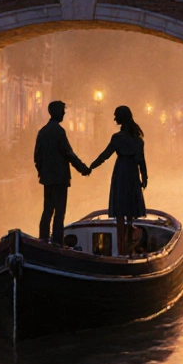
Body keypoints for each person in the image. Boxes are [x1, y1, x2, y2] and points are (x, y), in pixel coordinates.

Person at [88, 105, 148, 255]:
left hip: (121, 172)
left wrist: (91, 167)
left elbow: (105, 155)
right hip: (133, 172)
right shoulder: (138, 140)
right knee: (130, 209)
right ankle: (130, 237)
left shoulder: (117, 139)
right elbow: (141, 161)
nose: (114, 118)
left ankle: (121, 247)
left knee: (120, 210)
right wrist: (144, 177)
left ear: (121, 118)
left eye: (116, 116)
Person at [34, 100, 90, 244]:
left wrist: (42, 172)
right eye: (62, 111)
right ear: (57, 112)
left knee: (47, 210)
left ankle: (43, 239)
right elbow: (68, 153)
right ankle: (57, 241)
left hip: (47, 179)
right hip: (60, 179)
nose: (64, 113)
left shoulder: (43, 132)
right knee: (59, 212)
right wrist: (82, 168)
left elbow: (37, 157)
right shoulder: (59, 131)